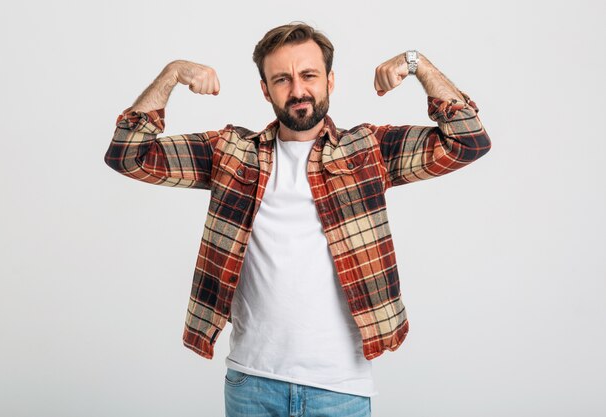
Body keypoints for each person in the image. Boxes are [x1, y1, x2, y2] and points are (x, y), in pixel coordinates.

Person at [104, 22, 491, 417]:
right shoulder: (231, 153)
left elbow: (469, 140)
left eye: (309, 75)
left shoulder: (368, 150)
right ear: (265, 89)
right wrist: (171, 74)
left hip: (340, 389)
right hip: (251, 384)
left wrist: (418, 65)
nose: (298, 90)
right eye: (282, 79)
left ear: (330, 81)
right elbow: (127, 155)